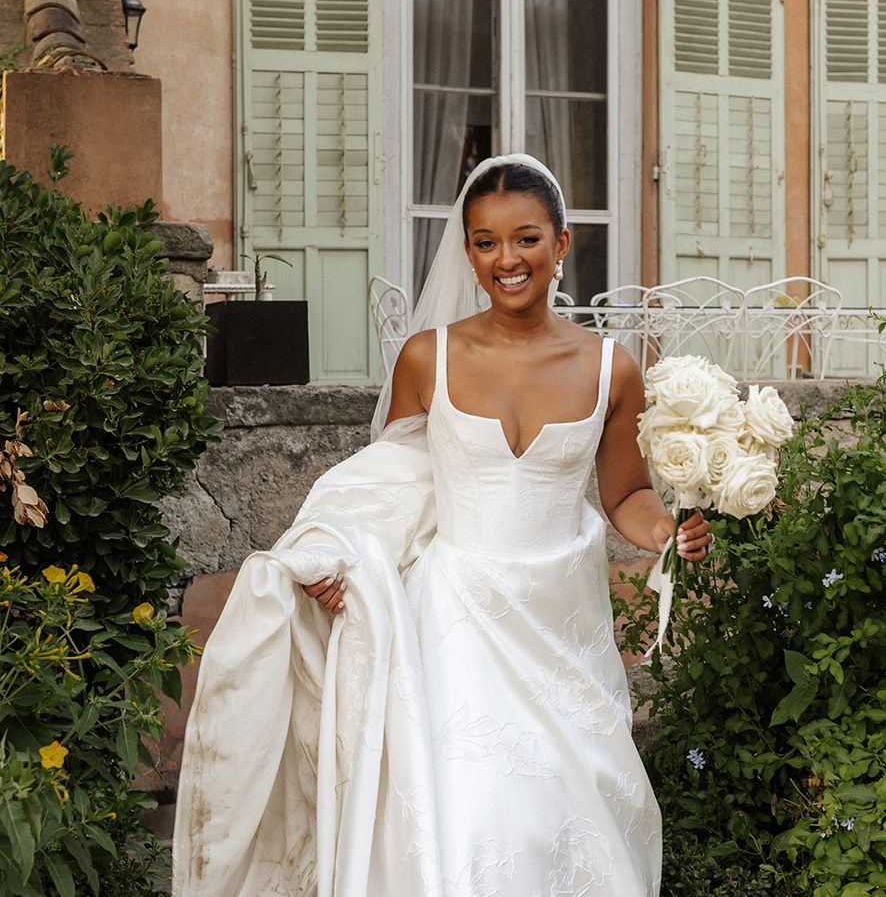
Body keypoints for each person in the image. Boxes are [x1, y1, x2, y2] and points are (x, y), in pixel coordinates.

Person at [172, 154, 711, 896]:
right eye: (484, 242)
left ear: (561, 244)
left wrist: (664, 534)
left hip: (561, 630)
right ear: (467, 253)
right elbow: (389, 487)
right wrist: (348, 561)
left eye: (525, 239)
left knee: (568, 813)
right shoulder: (429, 357)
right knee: (471, 821)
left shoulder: (612, 367)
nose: (505, 259)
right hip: (451, 623)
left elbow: (625, 493)